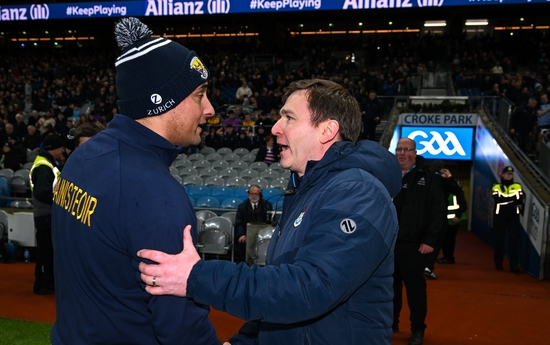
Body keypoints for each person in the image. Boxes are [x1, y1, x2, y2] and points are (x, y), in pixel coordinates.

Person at [138, 78, 402, 344]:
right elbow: (280, 301)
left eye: (288, 117)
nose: (275, 128)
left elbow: (307, 290)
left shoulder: (358, 193)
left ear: (327, 131)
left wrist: (197, 276)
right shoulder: (304, 192)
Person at [50, 18, 220, 345]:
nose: (209, 109)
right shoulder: (155, 195)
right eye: (200, 95)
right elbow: (180, 326)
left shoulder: (83, 157)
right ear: (163, 101)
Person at [392, 138, 445, 345]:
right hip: (390, 244)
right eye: (399, 149)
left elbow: (437, 211)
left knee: (415, 289)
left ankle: (417, 330)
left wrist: (429, 240)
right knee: (390, 287)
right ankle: (391, 323)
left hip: (414, 245)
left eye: (407, 149)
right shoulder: (390, 175)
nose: (402, 153)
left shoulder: (428, 177)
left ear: (415, 153)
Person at [30, 134, 65, 295]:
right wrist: (62, 199)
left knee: (47, 250)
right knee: (46, 250)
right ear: (55, 149)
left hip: (45, 213)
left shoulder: (44, 163)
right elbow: (42, 193)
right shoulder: (45, 166)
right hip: (46, 213)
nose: (62, 151)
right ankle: (44, 283)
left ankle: (45, 282)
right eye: (61, 148)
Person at [491, 166, 524, 273]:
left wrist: (506, 200)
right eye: (507, 174)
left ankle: (514, 266)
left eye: (511, 174)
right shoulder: (496, 186)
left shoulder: (517, 186)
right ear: (503, 175)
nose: (509, 176)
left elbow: (519, 201)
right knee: (499, 240)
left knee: (513, 241)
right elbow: (498, 200)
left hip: (513, 217)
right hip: (500, 216)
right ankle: (498, 263)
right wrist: (512, 199)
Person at [233, 185, 273, 263]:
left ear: (260, 195)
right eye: (252, 194)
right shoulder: (242, 207)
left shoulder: (267, 205)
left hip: (264, 233)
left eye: (256, 194)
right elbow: (239, 222)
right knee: (241, 242)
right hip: (246, 234)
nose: (254, 196)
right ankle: (245, 264)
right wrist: (242, 234)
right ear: (248, 194)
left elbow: (271, 221)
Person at [437, 166, 468, 265]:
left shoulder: (456, 190)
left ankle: (449, 257)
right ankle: (446, 257)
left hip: (454, 219)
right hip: (446, 219)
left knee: (449, 239)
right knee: (445, 239)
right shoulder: (442, 190)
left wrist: (457, 216)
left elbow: (463, 204)